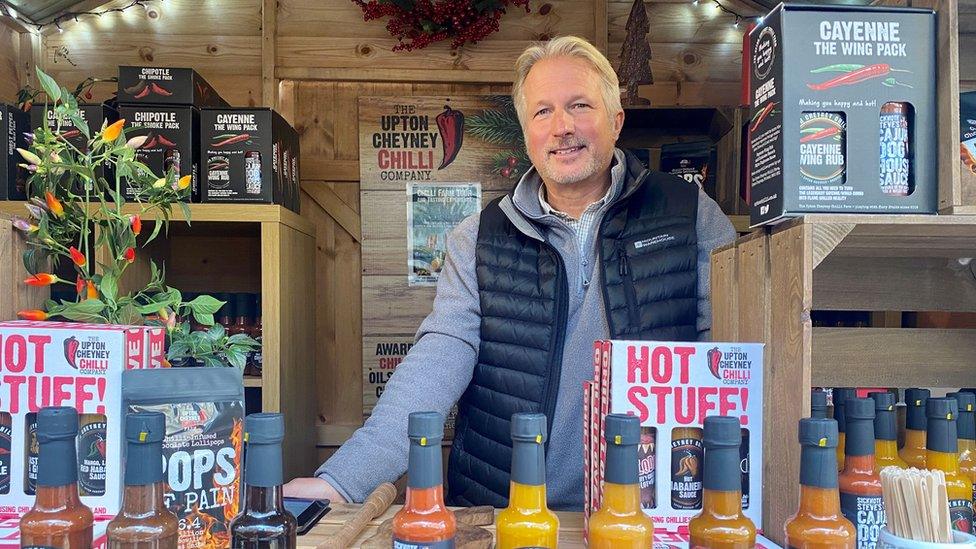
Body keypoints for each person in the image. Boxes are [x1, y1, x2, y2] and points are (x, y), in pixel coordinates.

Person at [284, 35, 737, 511]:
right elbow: (438, 360)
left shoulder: (689, 215)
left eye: (580, 105)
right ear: (526, 134)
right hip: (506, 512)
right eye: (542, 112)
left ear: (616, 120)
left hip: (656, 512)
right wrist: (346, 479)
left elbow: (732, 354)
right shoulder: (477, 237)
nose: (562, 127)